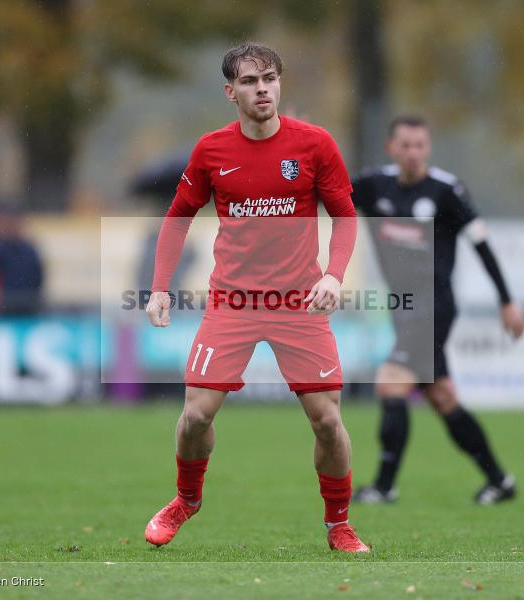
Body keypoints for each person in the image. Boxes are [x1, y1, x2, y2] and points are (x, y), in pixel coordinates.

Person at [142, 43, 368, 552]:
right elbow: (177, 218)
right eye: (249, 81)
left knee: (327, 421)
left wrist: (334, 276)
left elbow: (346, 216)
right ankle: (186, 499)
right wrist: (158, 288)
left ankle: (338, 524)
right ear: (231, 92)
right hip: (233, 303)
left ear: (280, 84)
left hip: (299, 304)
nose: (262, 89)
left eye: (269, 78)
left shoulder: (315, 145)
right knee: (195, 416)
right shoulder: (211, 151)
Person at [351, 115, 524, 505]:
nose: (413, 153)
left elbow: (482, 245)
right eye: (405, 145)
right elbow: (324, 194)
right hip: (404, 308)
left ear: (428, 148)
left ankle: (384, 487)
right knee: (442, 397)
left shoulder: (446, 191)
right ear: (391, 148)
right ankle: (499, 480)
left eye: (420, 145)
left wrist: (506, 300)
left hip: (434, 307)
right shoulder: (373, 185)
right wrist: (294, 146)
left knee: (391, 382)